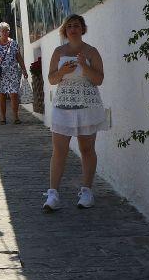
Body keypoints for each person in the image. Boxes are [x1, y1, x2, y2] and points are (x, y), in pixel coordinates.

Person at [43, 14, 107, 212]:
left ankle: (87, 192)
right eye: (69, 26)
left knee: (87, 149)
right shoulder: (58, 52)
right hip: (64, 105)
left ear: (82, 29)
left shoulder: (91, 51)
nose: (73, 29)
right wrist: (62, 71)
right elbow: (52, 79)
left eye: (77, 25)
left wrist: (84, 65)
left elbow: (99, 79)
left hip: (87, 105)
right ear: (65, 30)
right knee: (59, 150)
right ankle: (53, 194)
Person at [0, 22, 27, 125]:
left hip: (12, 72)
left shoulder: (13, 43)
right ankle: (3, 118)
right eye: (3, 31)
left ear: (9, 31)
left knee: (14, 94)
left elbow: (19, 57)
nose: (5, 33)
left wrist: (24, 69)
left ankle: (16, 117)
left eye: (7, 30)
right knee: (2, 95)